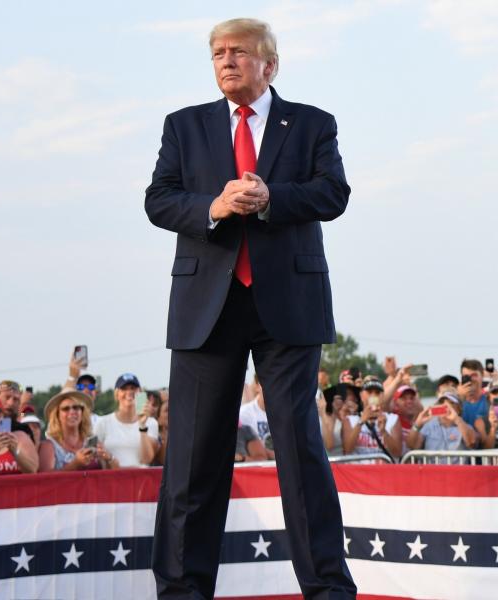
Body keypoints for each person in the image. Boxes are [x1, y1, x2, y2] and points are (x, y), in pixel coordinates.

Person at [145, 17, 355, 598]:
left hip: (286, 305)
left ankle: (329, 590)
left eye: (238, 52)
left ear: (271, 64)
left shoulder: (312, 123)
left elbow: (332, 193)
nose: (226, 61)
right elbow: (158, 199)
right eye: (217, 53)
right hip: (204, 306)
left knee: (299, 452)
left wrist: (271, 199)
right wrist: (212, 205)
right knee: (191, 462)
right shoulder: (184, 127)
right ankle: (182, 592)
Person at [93, 374, 159, 468]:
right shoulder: (102, 423)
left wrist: (142, 425)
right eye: (124, 389)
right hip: (112, 480)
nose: (129, 392)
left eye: (133, 388)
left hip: (141, 480)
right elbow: (97, 458)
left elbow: (147, 459)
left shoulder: (151, 423)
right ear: (117, 394)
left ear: (140, 393)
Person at [39, 390, 113, 471]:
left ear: (82, 413)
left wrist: (108, 459)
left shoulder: (94, 442)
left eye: (76, 407)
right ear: (57, 415)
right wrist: (75, 464)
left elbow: (108, 474)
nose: (72, 412)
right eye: (66, 409)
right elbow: (46, 480)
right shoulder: (48, 446)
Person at [341, 377, 402, 460]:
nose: (373, 396)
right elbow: (347, 450)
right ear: (361, 396)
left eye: (377, 393)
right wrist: (361, 421)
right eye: (369, 392)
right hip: (359, 471)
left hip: (383, 470)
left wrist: (384, 432)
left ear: (382, 396)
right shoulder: (350, 420)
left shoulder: (393, 419)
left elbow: (397, 453)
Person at [407, 392, 476, 463]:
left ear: (458, 409)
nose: (445, 405)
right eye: (441, 402)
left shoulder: (464, 426)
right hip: (433, 472)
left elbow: (472, 443)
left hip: (457, 472)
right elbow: (412, 445)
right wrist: (417, 424)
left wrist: (456, 419)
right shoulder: (428, 425)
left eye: (451, 403)